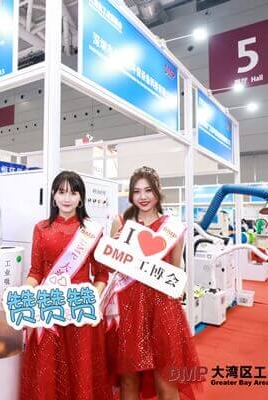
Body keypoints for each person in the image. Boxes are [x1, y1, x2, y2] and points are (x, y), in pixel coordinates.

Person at [105, 166, 201, 400]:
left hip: (162, 308)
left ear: (158, 191)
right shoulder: (121, 223)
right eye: (137, 191)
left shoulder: (173, 228)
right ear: (131, 195)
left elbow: (176, 270)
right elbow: (109, 269)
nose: (143, 196)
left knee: (166, 379)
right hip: (128, 308)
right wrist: (115, 248)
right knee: (129, 379)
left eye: (148, 190)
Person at [20, 171, 111, 400]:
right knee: (48, 368)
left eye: (73, 193)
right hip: (49, 307)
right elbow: (36, 272)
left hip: (80, 308)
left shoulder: (92, 230)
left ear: (81, 198)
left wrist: (93, 298)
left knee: (80, 369)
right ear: (53, 195)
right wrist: (24, 293)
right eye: (61, 192)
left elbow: (102, 275)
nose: (67, 198)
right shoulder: (41, 228)